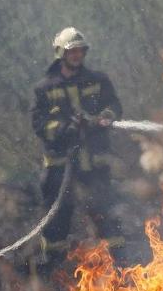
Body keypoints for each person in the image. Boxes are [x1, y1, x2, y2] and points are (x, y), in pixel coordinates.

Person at [30, 27, 124, 269]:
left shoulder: (98, 80)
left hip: (93, 164)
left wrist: (106, 114)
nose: (77, 55)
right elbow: (40, 125)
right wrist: (64, 129)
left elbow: (114, 104)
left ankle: (120, 264)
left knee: (105, 210)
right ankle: (52, 266)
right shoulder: (44, 88)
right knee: (57, 217)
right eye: (72, 51)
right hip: (61, 168)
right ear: (61, 53)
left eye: (80, 51)